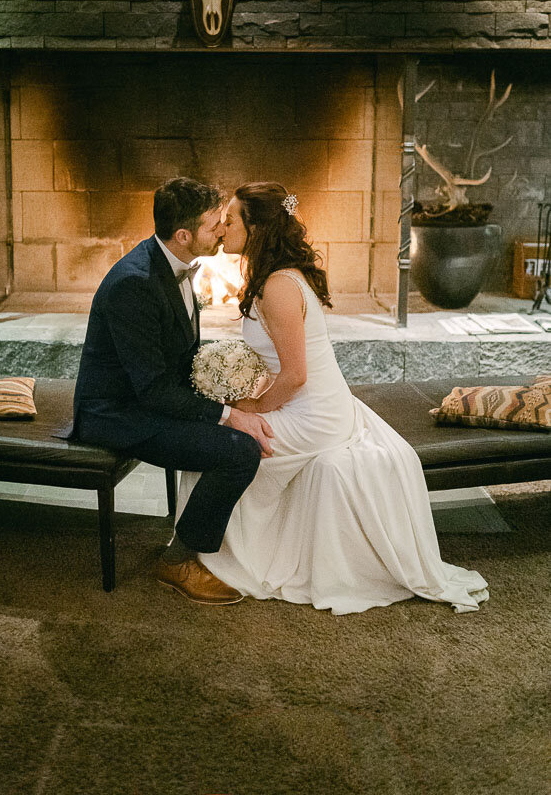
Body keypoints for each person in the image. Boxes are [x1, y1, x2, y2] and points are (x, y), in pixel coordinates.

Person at [177, 182, 489, 615]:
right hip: (309, 406)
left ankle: (221, 559)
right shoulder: (273, 276)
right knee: (217, 433)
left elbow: (296, 377)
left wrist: (244, 409)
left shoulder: (279, 286)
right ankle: (215, 548)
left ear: (257, 227)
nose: (223, 226)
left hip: (314, 415)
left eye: (231, 219)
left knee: (221, 448)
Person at [71, 177, 274, 606]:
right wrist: (227, 414)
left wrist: (228, 392)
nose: (223, 229)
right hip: (116, 414)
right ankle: (178, 560)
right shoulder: (135, 283)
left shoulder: (174, 265)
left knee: (241, 436)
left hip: (149, 399)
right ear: (183, 236)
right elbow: (153, 391)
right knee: (239, 452)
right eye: (213, 224)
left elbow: (178, 361)